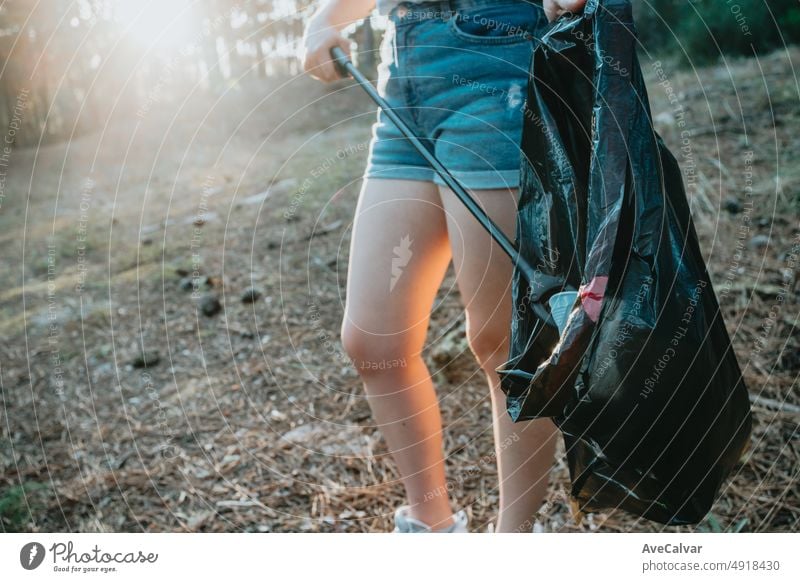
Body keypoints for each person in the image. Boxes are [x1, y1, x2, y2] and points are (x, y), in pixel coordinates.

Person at [301, 0, 587, 533]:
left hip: (497, 58)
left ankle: (512, 542)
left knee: (504, 342)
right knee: (374, 341)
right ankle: (430, 528)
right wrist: (328, 17)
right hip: (403, 70)